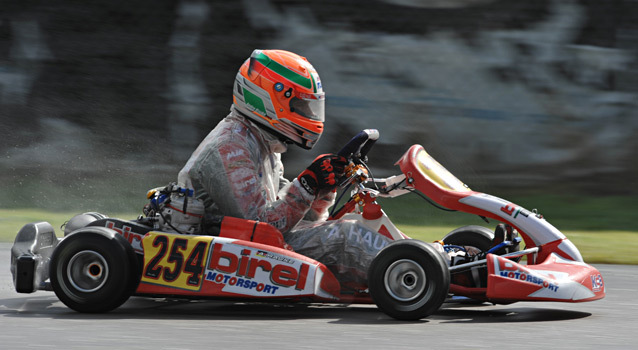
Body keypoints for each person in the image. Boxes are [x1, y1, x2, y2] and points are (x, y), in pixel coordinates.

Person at [177, 49, 392, 288]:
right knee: (346, 236)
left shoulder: (262, 142)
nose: (309, 114)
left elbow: (294, 218)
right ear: (267, 98)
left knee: (355, 223)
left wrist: (322, 188)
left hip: (258, 243)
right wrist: (307, 184)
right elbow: (262, 226)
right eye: (300, 105)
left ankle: (415, 259)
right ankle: (410, 267)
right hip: (231, 250)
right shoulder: (230, 147)